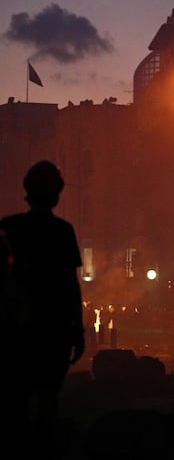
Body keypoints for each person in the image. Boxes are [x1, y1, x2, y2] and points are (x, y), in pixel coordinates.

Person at [0, 160, 86, 453]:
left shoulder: (8, 228)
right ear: (57, 194)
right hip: (53, 329)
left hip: (14, 328)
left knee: (15, 400)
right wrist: (78, 329)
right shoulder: (62, 232)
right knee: (47, 401)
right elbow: (69, 284)